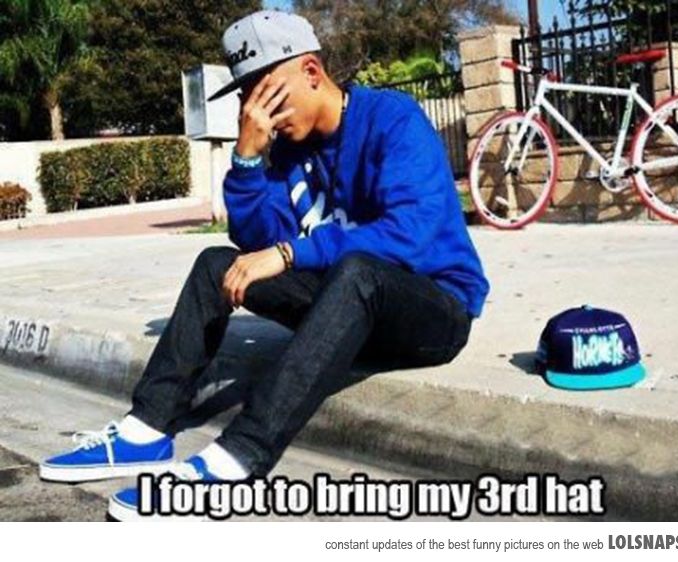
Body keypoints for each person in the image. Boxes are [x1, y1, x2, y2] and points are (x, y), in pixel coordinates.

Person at [39, 10, 490, 521]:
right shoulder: (289, 153)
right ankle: (146, 430)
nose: (257, 110)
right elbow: (256, 245)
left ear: (311, 72)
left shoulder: (392, 119)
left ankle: (240, 456)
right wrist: (248, 159)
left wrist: (291, 253)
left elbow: (409, 233)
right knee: (217, 264)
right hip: (344, 307)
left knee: (359, 271)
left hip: (432, 310)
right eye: (246, 96)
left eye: (266, 92)